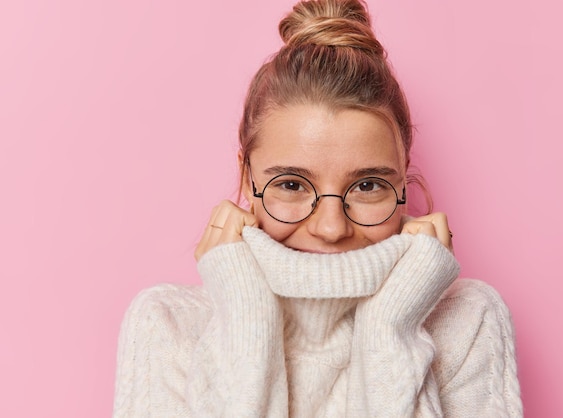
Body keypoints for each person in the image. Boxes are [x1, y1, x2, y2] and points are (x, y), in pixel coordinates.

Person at [113, 0, 522, 416]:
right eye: (290, 184)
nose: (331, 228)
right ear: (245, 180)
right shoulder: (168, 326)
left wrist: (391, 327)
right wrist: (245, 314)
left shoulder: (468, 320)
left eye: (367, 185)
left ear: (402, 182)